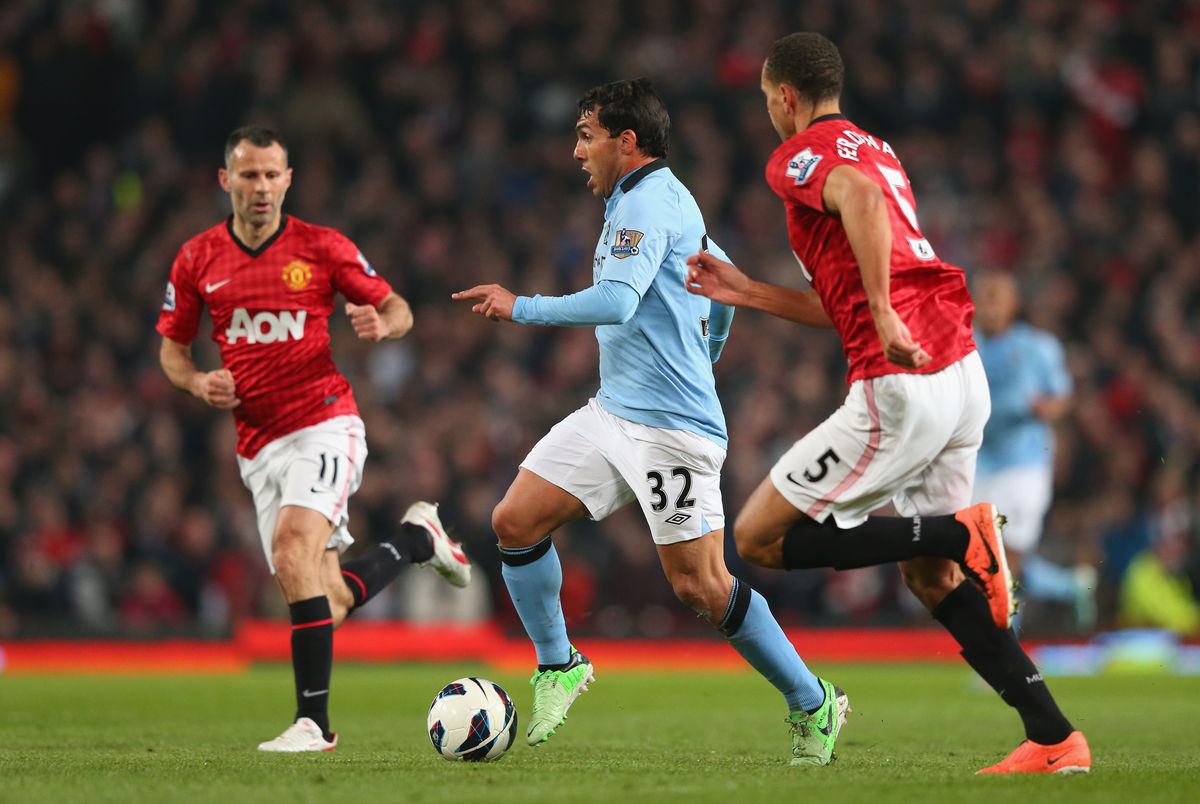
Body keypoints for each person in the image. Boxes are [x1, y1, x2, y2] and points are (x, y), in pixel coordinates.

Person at [684, 33, 1091, 775]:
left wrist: (882, 310)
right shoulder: (878, 148)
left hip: (902, 385)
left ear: (784, 96)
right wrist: (748, 291)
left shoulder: (800, 154)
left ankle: (954, 532)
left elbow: (863, 222)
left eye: (766, 101)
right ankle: (1054, 736)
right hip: (961, 374)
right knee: (931, 581)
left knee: (758, 537)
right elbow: (848, 291)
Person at [453, 78, 850, 766]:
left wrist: (522, 306)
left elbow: (614, 300)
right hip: (614, 411)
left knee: (700, 585)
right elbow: (717, 269)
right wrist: (710, 346)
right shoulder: (654, 200)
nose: (577, 152)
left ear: (625, 141)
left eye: (586, 136)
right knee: (514, 521)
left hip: (673, 430)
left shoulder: (648, 202)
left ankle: (814, 702)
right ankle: (559, 665)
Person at [157, 125, 471, 752]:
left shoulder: (322, 248)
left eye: (273, 175)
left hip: (324, 420)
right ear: (226, 181)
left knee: (292, 545)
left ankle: (313, 726)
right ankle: (417, 540)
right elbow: (172, 351)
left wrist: (380, 324)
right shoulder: (197, 259)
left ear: (289, 180)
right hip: (257, 445)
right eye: (249, 175)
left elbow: (401, 308)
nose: (262, 186)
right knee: (324, 597)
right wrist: (197, 384)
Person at [972, 271, 1095, 629]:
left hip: (1023, 464)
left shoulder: (1038, 348)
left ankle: (1007, 648)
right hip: (978, 462)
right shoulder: (965, 346)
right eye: (985, 296)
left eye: (998, 297)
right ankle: (1069, 586)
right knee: (982, 559)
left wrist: (1046, 409)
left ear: (1014, 304)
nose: (991, 305)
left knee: (1006, 556)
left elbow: (1062, 398)